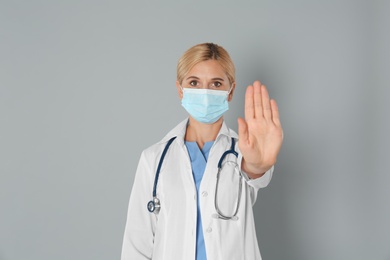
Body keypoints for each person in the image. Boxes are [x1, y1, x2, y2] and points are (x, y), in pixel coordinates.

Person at [121, 43, 283, 260]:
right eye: (194, 82)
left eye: (216, 83)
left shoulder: (244, 151)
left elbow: (255, 173)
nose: (205, 92)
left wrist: (259, 166)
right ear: (180, 89)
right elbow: (137, 243)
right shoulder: (154, 159)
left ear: (231, 90)